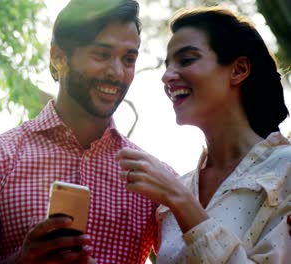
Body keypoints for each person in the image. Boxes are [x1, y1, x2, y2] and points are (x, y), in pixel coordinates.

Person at [0, 0, 174, 263]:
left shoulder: (154, 180)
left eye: (128, 59)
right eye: (101, 55)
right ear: (59, 56)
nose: (117, 72)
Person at [117, 7, 291, 263]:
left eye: (186, 60)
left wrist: (182, 202)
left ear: (239, 69)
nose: (167, 76)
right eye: (167, 66)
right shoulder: (175, 193)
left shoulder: (285, 169)